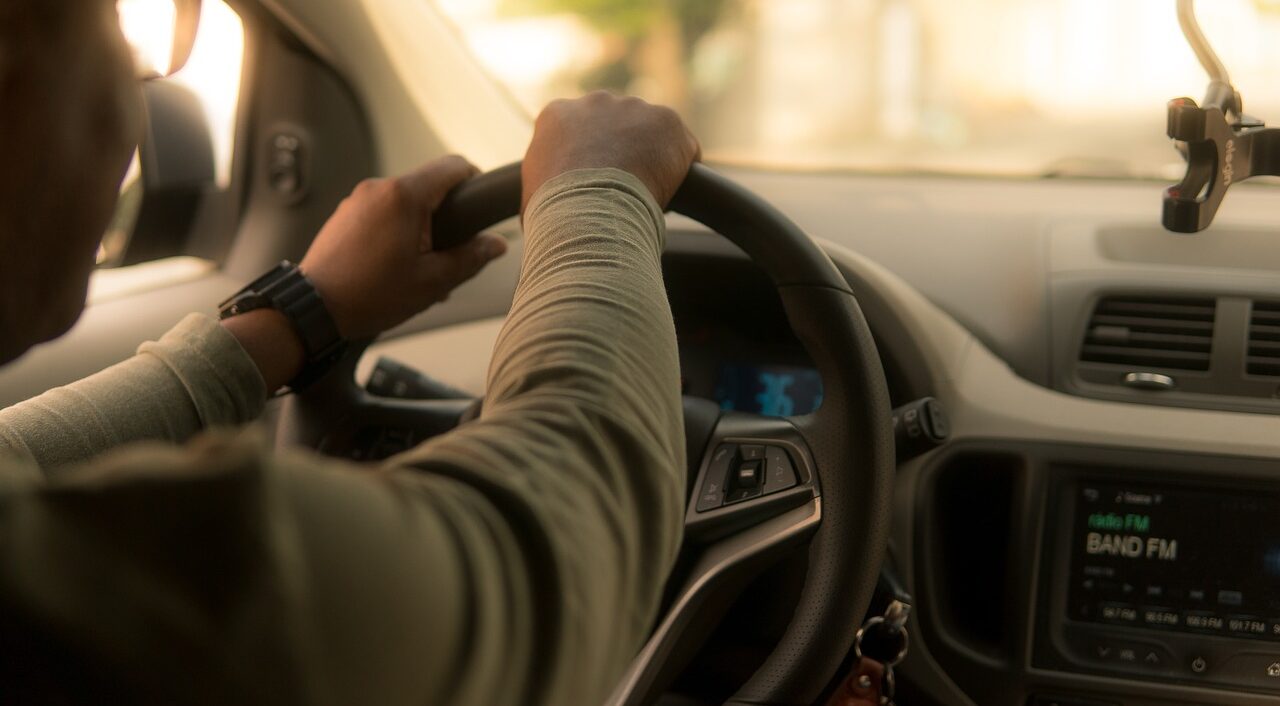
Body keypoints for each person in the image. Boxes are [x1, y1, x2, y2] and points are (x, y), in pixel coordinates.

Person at [0, 3, 699, 704]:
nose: (138, 82)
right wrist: (598, 198)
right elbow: (536, 569)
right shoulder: (119, 595)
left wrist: (305, 312)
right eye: (113, 17)